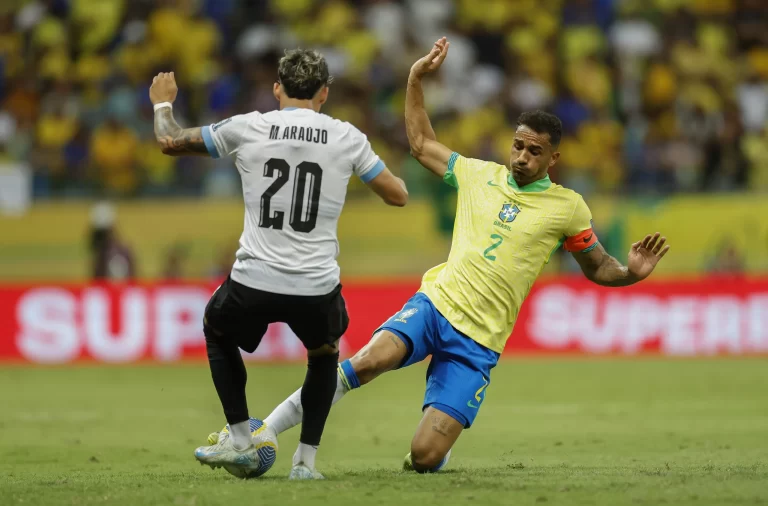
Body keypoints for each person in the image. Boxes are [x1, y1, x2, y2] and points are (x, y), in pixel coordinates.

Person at [238, 38, 671, 474]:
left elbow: (597, 266)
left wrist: (630, 274)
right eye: (518, 146)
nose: (521, 156)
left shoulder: (568, 207)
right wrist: (414, 79)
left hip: (479, 342)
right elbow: (421, 142)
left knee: (424, 457)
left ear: (553, 158)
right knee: (367, 362)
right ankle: (267, 430)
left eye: (534, 151)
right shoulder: (477, 173)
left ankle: (437, 449)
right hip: (436, 304)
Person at [148, 48, 408, 480]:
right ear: (324, 93)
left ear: (276, 89)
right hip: (316, 285)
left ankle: (241, 439)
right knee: (324, 357)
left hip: (255, 277)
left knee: (217, 328)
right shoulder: (347, 136)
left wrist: (162, 102)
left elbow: (169, 140)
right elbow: (397, 194)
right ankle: (304, 463)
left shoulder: (249, 126)